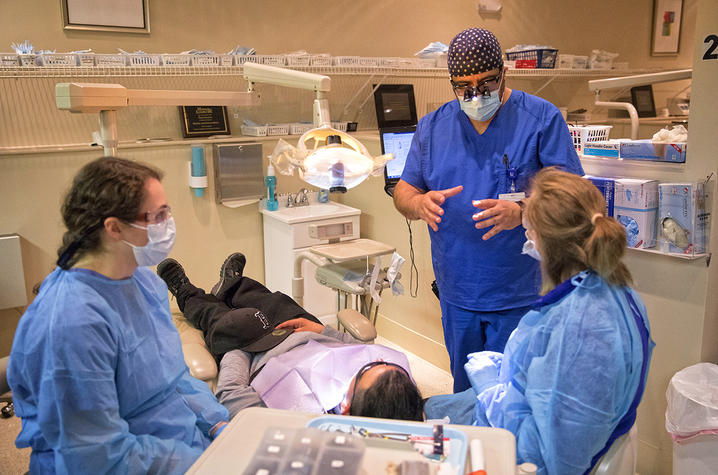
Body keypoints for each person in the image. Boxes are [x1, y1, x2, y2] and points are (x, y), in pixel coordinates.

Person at [425, 168, 655, 475]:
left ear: (548, 242)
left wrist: (492, 390)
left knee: (409, 429)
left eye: (528, 229)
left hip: (518, 455)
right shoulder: (613, 288)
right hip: (523, 419)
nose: (526, 235)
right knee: (421, 409)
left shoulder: (578, 330)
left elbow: (545, 455)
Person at [7, 157, 229, 474]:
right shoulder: (73, 324)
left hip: (179, 446)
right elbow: (97, 457)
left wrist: (218, 423)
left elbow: (175, 378)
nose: (168, 224)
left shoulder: (143, 282)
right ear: (114, 227)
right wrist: (203, 463)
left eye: (168, 212)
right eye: (158, 215)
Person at [393, 28, 584, 392]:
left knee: (513, 397)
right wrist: (418, 203)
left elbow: (573, 195)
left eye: (486, 83)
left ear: (504, 73)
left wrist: (525, 210)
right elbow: (404, 190)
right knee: (466, 395)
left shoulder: (540, 119)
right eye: (463, 86)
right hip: (457, 292)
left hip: (518, 293)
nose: (475, 94)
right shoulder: (434, 127)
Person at [156, 255, 424, 422]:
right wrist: (321, 331)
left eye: (366, 368)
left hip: (256, 349)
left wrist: (235, 351)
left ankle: (187, 293)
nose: (375, 358)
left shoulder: (290, 418)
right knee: (275, 301)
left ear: (344, 407)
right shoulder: (400, 395)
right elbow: (356, 349)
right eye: (378, 363)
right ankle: (232, 285)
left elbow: (231, 393)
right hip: (306, 334)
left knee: (223, 320)